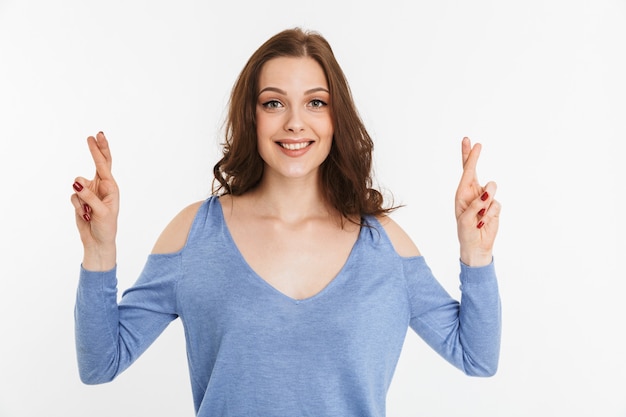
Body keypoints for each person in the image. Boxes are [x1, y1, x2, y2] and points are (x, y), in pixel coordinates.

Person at [71, 28, 501, 416]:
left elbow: (476, 357)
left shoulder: (383, 246)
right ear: (251, 116)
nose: (295, 122)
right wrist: (99, 250)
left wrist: (476, 254)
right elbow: (101, 364)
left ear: (336, 119)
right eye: (273, 103)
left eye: (316, 102)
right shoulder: (196, 235)